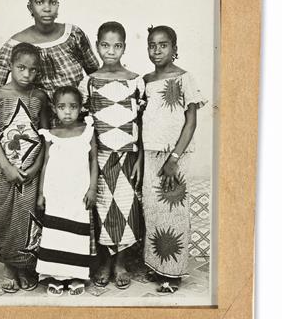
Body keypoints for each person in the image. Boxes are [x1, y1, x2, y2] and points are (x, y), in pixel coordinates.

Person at [0, 0, 99, 116]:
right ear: (30, 7)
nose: (47, 8)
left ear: (58, 5)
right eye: (39, 2)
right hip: (40, 128)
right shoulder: (16, 44)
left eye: (52, 2)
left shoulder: (73, 35)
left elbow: (96, 74)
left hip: (78, 122)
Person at [79, 21, 145, 290]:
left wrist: (140, 157)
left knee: (126, 210)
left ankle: (120, 262)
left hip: (127, 155)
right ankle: (105, 261)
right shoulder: (89, 82)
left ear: (124, 48)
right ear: (97, 46)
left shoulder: (135, 80)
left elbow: (143, 119)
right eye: (105, 45)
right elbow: (85, 122)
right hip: (101, 156)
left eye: (117, 45)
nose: (111, 50)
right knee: (104, 210)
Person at [142, 25, 206, 293]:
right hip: (150, 154)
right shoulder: (145, 80)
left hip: (174, 157)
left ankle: (173, 274)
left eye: (163, 45)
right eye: (152, 45)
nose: (157, 50)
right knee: (153, 212)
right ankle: (157, 265)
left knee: (174, 211)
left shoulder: (184, 78)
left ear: (174, 48)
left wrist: (174, 157)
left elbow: (190, 122)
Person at [0, 43, 49, 293]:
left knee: (29, 218)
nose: (26, 74)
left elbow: (45, 136)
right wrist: (6, 165)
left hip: (31, 171)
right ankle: (10, 266)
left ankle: (26, 267)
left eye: (33, 70)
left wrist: (35, 168)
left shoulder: (40, 97)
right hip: (6, 171)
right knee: (4, 215)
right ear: (10, 66)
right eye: (21, 68)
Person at [36, 86, 98, 296]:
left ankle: (76, 275)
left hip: (77, 194)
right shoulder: (51, 135)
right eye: (62, 107)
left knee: (76, 234)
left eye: (73, 106)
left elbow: (93, 161)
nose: (68, 112)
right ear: (54, 109)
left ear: (81, 108)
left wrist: (92, 188)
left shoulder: (87, 130)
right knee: (56, 234)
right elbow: (45, 164)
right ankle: (55, 276)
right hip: (56, 194)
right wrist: (41, 194)